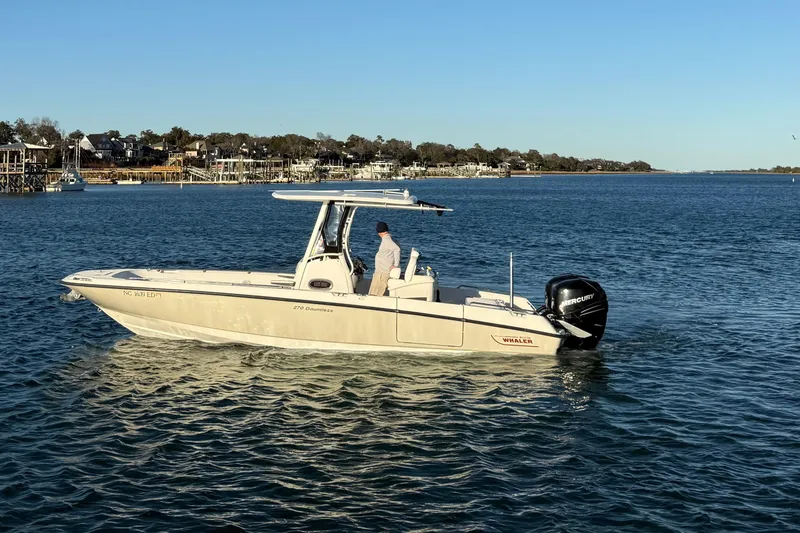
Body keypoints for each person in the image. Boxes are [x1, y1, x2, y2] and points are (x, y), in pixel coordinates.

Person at [368, 221, 400, 296]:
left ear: (379, 232)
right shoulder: (390, 238)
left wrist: (396, 265)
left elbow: (397, 249)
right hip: (382, 272)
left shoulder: (387, 240)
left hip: (382, 273)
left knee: (374, 295)